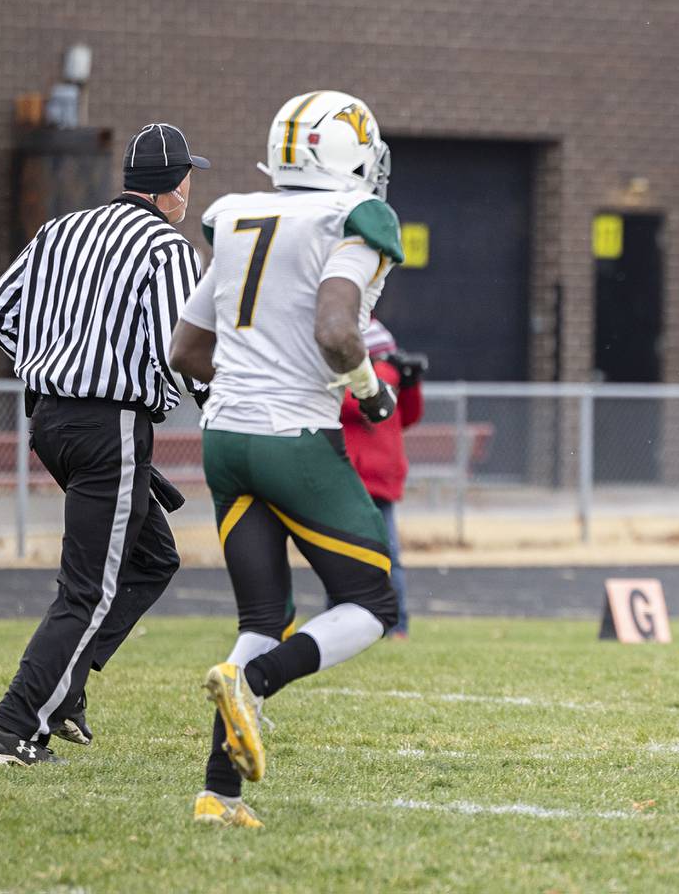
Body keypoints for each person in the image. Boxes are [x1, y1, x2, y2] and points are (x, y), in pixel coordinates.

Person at [169, 91, 402, 828]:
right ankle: (257, 684)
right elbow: (337, 330)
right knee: (371, 603)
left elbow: (187, 350)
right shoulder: (351, 218)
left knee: (264, 614)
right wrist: (368, 393)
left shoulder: (236, 215)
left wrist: (238, 397)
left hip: (225, 438)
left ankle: (218, 793)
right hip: (292, 436)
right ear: (350, 153)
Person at [0, 123, 208, 765]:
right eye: (189, 178)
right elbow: (182, 349)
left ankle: (66, 688)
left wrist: (50, 360)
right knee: (88, 588)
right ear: (175, 186)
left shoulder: (60, 230)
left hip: (50, 418)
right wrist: (214, 409)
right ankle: (13, 726)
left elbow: (1, 310)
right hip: (107, 424)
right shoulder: (167, 247)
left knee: (151, 559)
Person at [337, 318, 426, 639]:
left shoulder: (367, 382)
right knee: (389, 555)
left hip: (354, 478)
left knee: (339, 553)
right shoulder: (389, 382)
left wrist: (407, 380)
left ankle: (338, 616)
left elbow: (346, 406)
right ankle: (397, 623)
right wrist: (408, 382)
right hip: (379, 479)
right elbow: (410, 416)